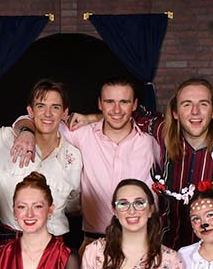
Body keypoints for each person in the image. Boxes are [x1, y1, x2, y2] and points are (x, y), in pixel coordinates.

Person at [122, 78, 213, 248]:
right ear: (175, 112)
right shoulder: (162, 134)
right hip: (169, 249)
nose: (195, 112)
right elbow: (122, 114)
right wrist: (90, 119)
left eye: (203, 104)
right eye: (187, 104)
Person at [36, 78, 159, 249]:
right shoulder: (81, 134)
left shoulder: (151, 141)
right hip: (94, 244)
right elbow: (39, 119)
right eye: (110, 102)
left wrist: (93, 117)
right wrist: (25, 131)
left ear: (135, 104)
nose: (116, 109)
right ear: (100, 104)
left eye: (124, 102)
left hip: (143, 243)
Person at [0, 78, 83, 241]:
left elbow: (74, 206)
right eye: (41, 106)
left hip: (55, 245)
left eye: (55, 107)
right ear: (30, 111)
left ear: (65, 113)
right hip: (10, 241)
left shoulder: (74, 157)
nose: (48, 114)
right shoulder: (5, 140)